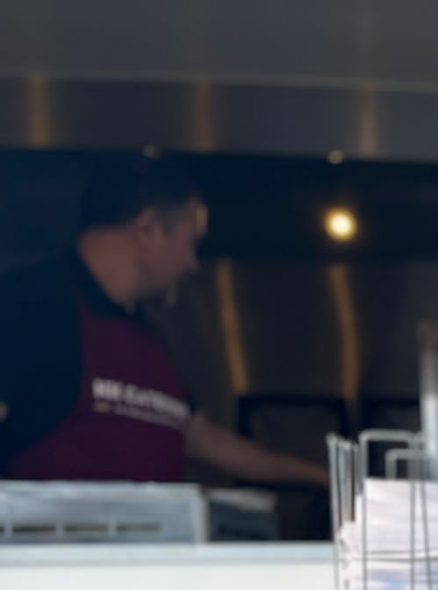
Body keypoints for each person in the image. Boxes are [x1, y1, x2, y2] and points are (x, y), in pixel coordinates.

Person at [0, 155, 328, 488]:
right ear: (149, 229)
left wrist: (330, 479)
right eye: (191, 243)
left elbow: (205, 439)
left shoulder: (147, 334)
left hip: (159, 538)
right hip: (50, 538)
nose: (193, 264)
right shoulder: (26, 305)